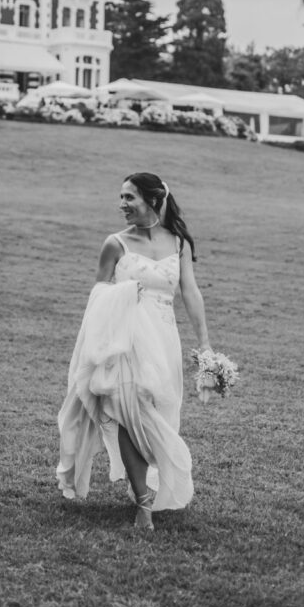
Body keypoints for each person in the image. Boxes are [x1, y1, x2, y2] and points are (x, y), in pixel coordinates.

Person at [56, 172, 211, 531]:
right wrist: (124, 294)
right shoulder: (115, 243)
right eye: (121, 197)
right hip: (122, 340)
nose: (122, 204)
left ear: (153, 200)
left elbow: (190, 292)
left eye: (129, 197)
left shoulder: (178, 243)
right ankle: (143, 501)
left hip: (163, 338)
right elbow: (98, 292)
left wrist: (204, 344)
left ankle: (148, 480)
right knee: (127, 409)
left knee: (155, 413)